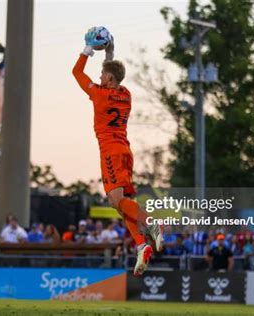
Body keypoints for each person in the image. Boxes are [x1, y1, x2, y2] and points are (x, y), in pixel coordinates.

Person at [72, 29, 163, 276]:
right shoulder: (125, 94)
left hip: (110, 151)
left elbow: (77, 73)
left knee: (116, 201)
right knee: (122, 205)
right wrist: (109, 51)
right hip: (125, 151)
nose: (99, 76)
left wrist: (88, 49)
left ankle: (152, 224)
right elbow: (111, 72)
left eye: (102, 74)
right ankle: (142, 244)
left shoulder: (99, 94)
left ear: (109, 79)